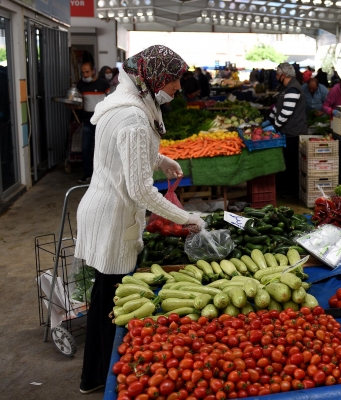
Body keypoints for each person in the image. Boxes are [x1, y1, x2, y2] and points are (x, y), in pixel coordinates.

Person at [74, 45, 205, 395]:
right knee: (111, 302)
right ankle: (103, 378)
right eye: (174, 80)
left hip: (105, 207)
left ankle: (94, 375)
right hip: (113, 216)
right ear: (155, 77)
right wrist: (185, 217)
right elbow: (140, 191)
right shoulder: (132, 117)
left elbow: (125, 151)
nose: (178, 88)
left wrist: (160, 159)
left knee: (106, 297)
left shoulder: (125, 101)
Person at [263, 63, 307, 196]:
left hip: (294, 132)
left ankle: (291, 192)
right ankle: (285, 188)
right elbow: (278, 108)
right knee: (286, 161)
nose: (276, 76)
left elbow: (286, 112)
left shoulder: (293, 89)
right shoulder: (285, 88)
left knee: (291, 163)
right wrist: (269, 120)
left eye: (277, 74)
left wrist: (274, 126)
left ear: (284, 75)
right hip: (286, 131)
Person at [76, 62, 110, 183]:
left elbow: (111, 100)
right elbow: (81, 104)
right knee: (85, 148)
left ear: (93, 71)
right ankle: (87, 174)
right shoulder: (80, 85)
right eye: (83, 72)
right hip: (88, 121)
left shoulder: (103, 84)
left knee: (102, 148)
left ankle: (103, 176)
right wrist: (74, 106)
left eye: (87, 72)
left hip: (102, 121)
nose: (85, 75)